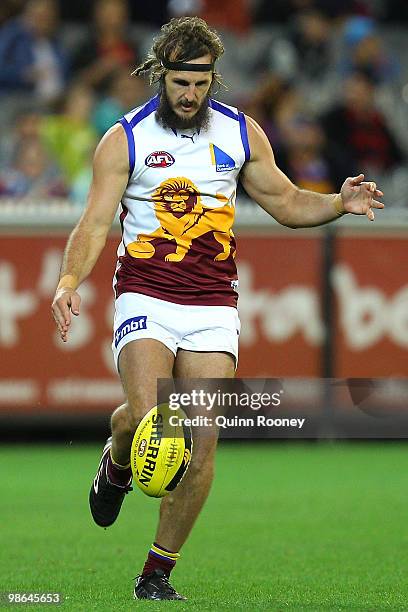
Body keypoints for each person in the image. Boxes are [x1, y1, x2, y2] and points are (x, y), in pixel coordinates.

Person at [51, 16, 384, 602]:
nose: (189, 95)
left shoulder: (240, 132)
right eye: (180, 82)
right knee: (152, 417)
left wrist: (337, 201)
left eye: (200, 83)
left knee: (202, 439)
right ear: (161, 76)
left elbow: (283, 201)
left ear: (213, 78)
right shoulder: (125, 138)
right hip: (146, 293)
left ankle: (156, 572)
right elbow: (96, 221)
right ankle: (119, 456)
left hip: (212, 305)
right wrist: (69, 279)